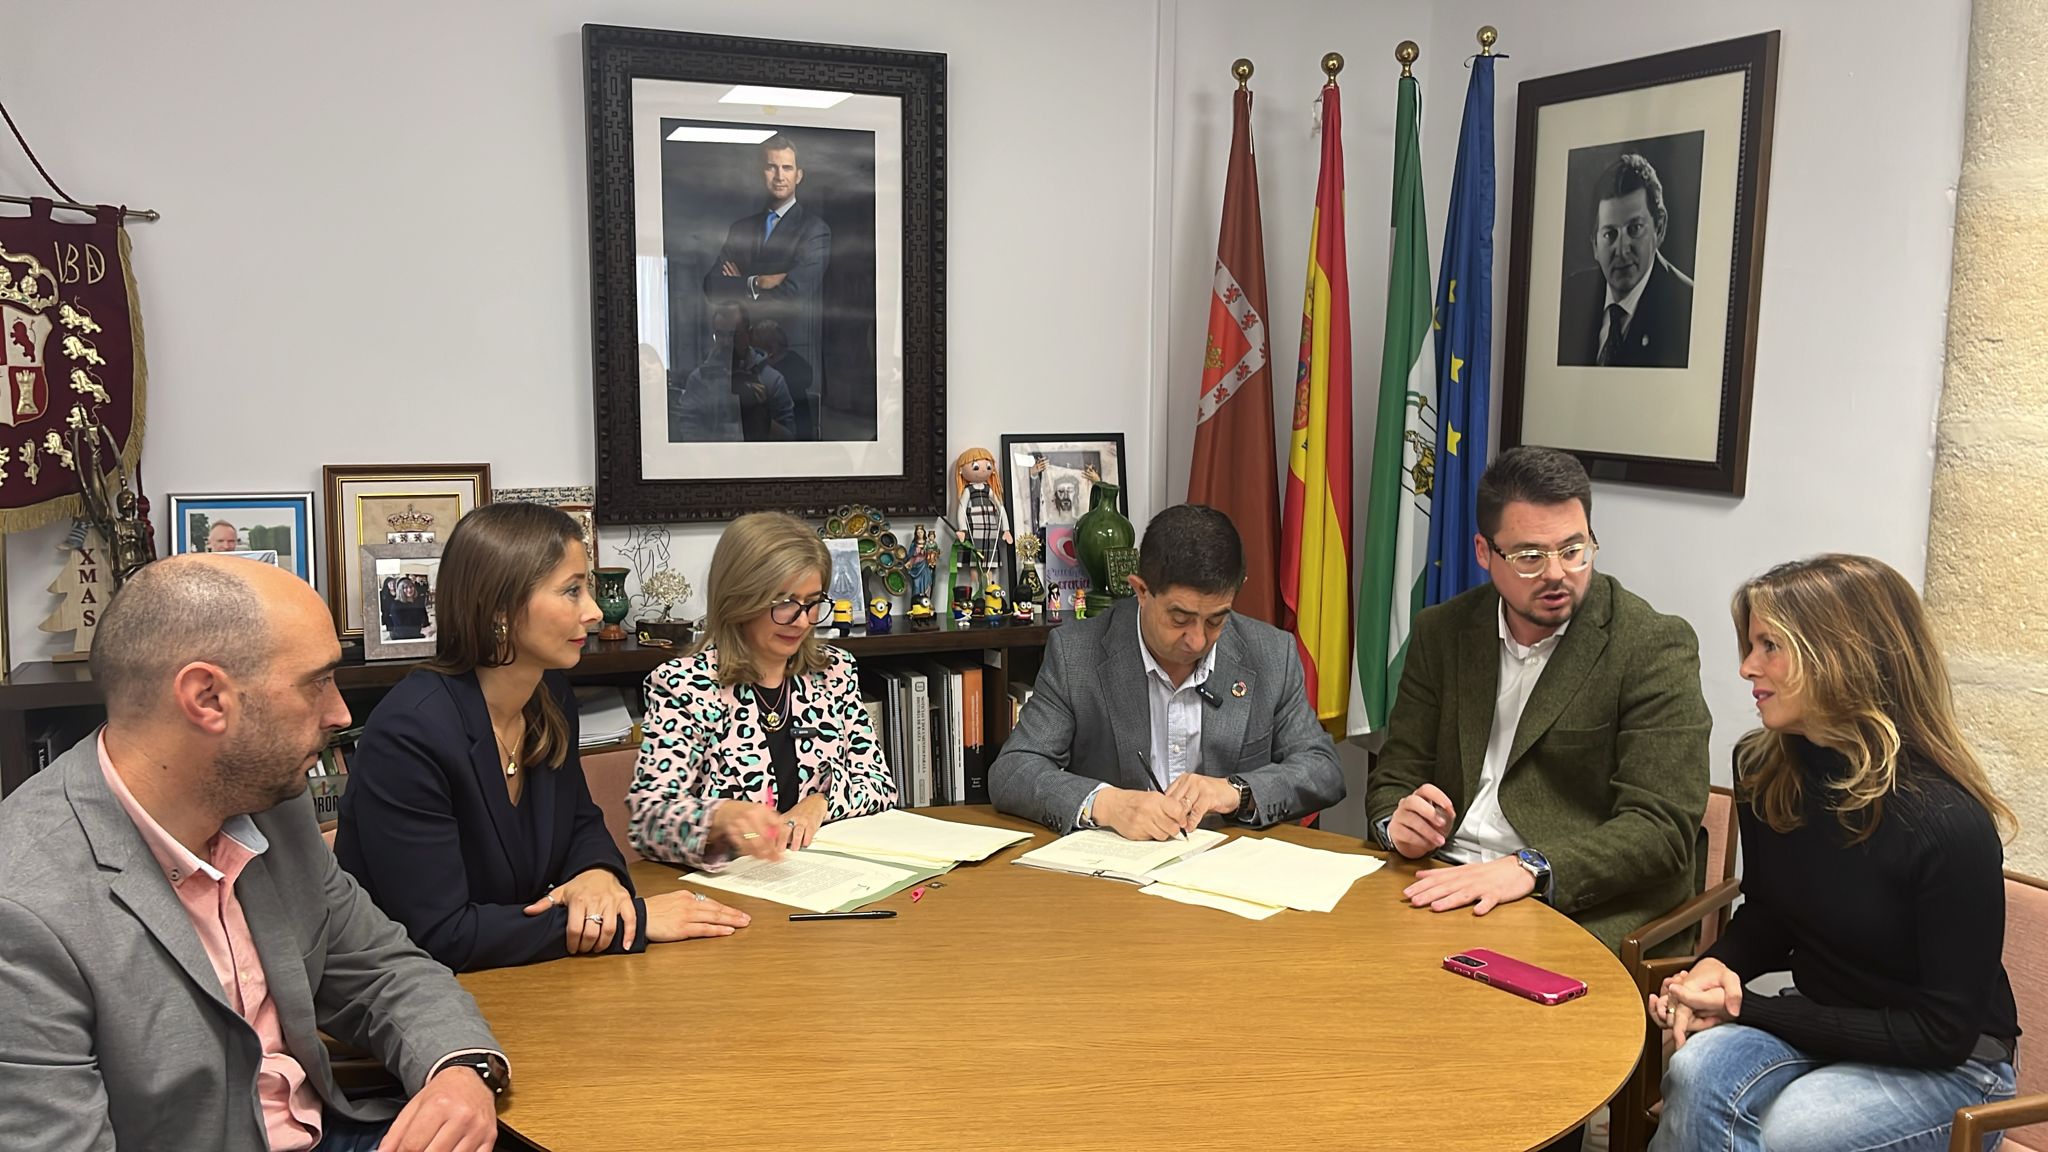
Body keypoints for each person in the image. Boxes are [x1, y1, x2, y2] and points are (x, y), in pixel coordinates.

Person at [0, 555, 505, 1152]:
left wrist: (461, 1071)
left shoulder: (267, 805)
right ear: (207, 696)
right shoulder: (24, 906)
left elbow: (383, 970)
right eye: (316, 682)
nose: (341, 713)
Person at [1647, 555, 2018, 1152]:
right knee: (1693, 1071)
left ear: (1840, 658)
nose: (1746, 667)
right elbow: (1771, 911)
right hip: (1826, 1022)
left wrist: (1749, 1010)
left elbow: (1941, 1034)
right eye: (1750, 644)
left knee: (1790, 1130)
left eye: (1770, 646)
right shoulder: (1763, 768)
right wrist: (1721, 964)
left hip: (1954, 1066)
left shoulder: (1947, 821)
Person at [336, 504, 749, 972]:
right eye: (571, 591)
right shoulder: (410, 733)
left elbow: (582, 824)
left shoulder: (547, 692)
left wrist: (597, 875)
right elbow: (440, 935)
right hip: (415, 998)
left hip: (523, 975)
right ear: (499, 608)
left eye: (587, 589)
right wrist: (627, 919)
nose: (593, 612)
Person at [1366, 446, 1710, 954]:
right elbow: (1397, 773)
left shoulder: (1651, 645)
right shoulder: (1444, 631)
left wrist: (1531, 867)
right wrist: (1397, 823)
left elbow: (1661, 830)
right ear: (1484, 553)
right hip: (1441, 878)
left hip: (1575, 902)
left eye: (1574, 551)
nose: (1556, 573)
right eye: (1530, 557)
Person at [990, 504, 1344, 837]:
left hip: (1229, 878)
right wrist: (1106, 803)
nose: (1197, 640)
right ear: (1141, 591)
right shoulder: (1076, 654)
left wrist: (1235, 791)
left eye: (1216, 620)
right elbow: (1014, 771)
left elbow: (1322, 770)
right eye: (1180, 619)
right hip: (1117, 877)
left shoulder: (1270, 654)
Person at [628, 511, 897, 868]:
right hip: (730, 892)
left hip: (821, 877)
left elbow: (878, 784)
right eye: (784, 603)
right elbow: (648, 820)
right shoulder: (683, 685)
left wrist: (821, 802)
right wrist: (718, 817)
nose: (802, 621)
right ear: (740, 599)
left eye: (813, 603)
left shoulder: (835, 671)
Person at [701, 133, 832, 373]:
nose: (780, 176)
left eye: (787, 168)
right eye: (772, 167)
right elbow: (711, 285)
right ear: (761, 173)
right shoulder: (741, 228)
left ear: (798, 175)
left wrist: (738, 284)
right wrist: (757, 282)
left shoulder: (814, 230)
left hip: (785, 358)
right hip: (738, 358)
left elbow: (792, 298)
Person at [1557, 152, 1696, 368]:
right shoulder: (1568, 298)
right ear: (1594, 244)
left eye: (1634, 229)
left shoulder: (1688, 308)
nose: (1621, 250)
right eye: (1610, 234)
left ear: (1659, 229)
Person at [669, 301, 794, 443]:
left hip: (759, 462)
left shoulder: (772, 381)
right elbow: (688, 431)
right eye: (720, 335)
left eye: (734, 335)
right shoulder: (700, 380)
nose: (727, 342)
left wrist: (762, 415)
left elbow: (790, 438)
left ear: (749, 334)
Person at [751, 318, 817, 441]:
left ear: (770, 350)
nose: (751, 355)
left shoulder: (775, 378)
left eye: (755, 350)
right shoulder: (797, 363)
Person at [386, 575, 430, 640]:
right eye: (405, 588)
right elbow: (401, 627)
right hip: (402, 637)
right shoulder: (396, 605)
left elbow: (425, 621)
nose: (409, 590)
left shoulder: (419, 602)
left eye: (411, 587)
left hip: (417, 635)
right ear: (400, 590)